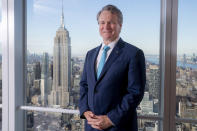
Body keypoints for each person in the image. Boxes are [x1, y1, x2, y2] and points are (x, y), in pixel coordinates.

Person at [79, 4, 146, 131]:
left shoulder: (133, 54)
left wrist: (111, 119)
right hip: (91, 126)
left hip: (119, 126)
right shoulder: (90, 54)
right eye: (102, 22)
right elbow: (84, 85)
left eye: (111, 22)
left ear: (120, 25)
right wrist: (85, 110)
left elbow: (135, 93)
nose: (106, 27)